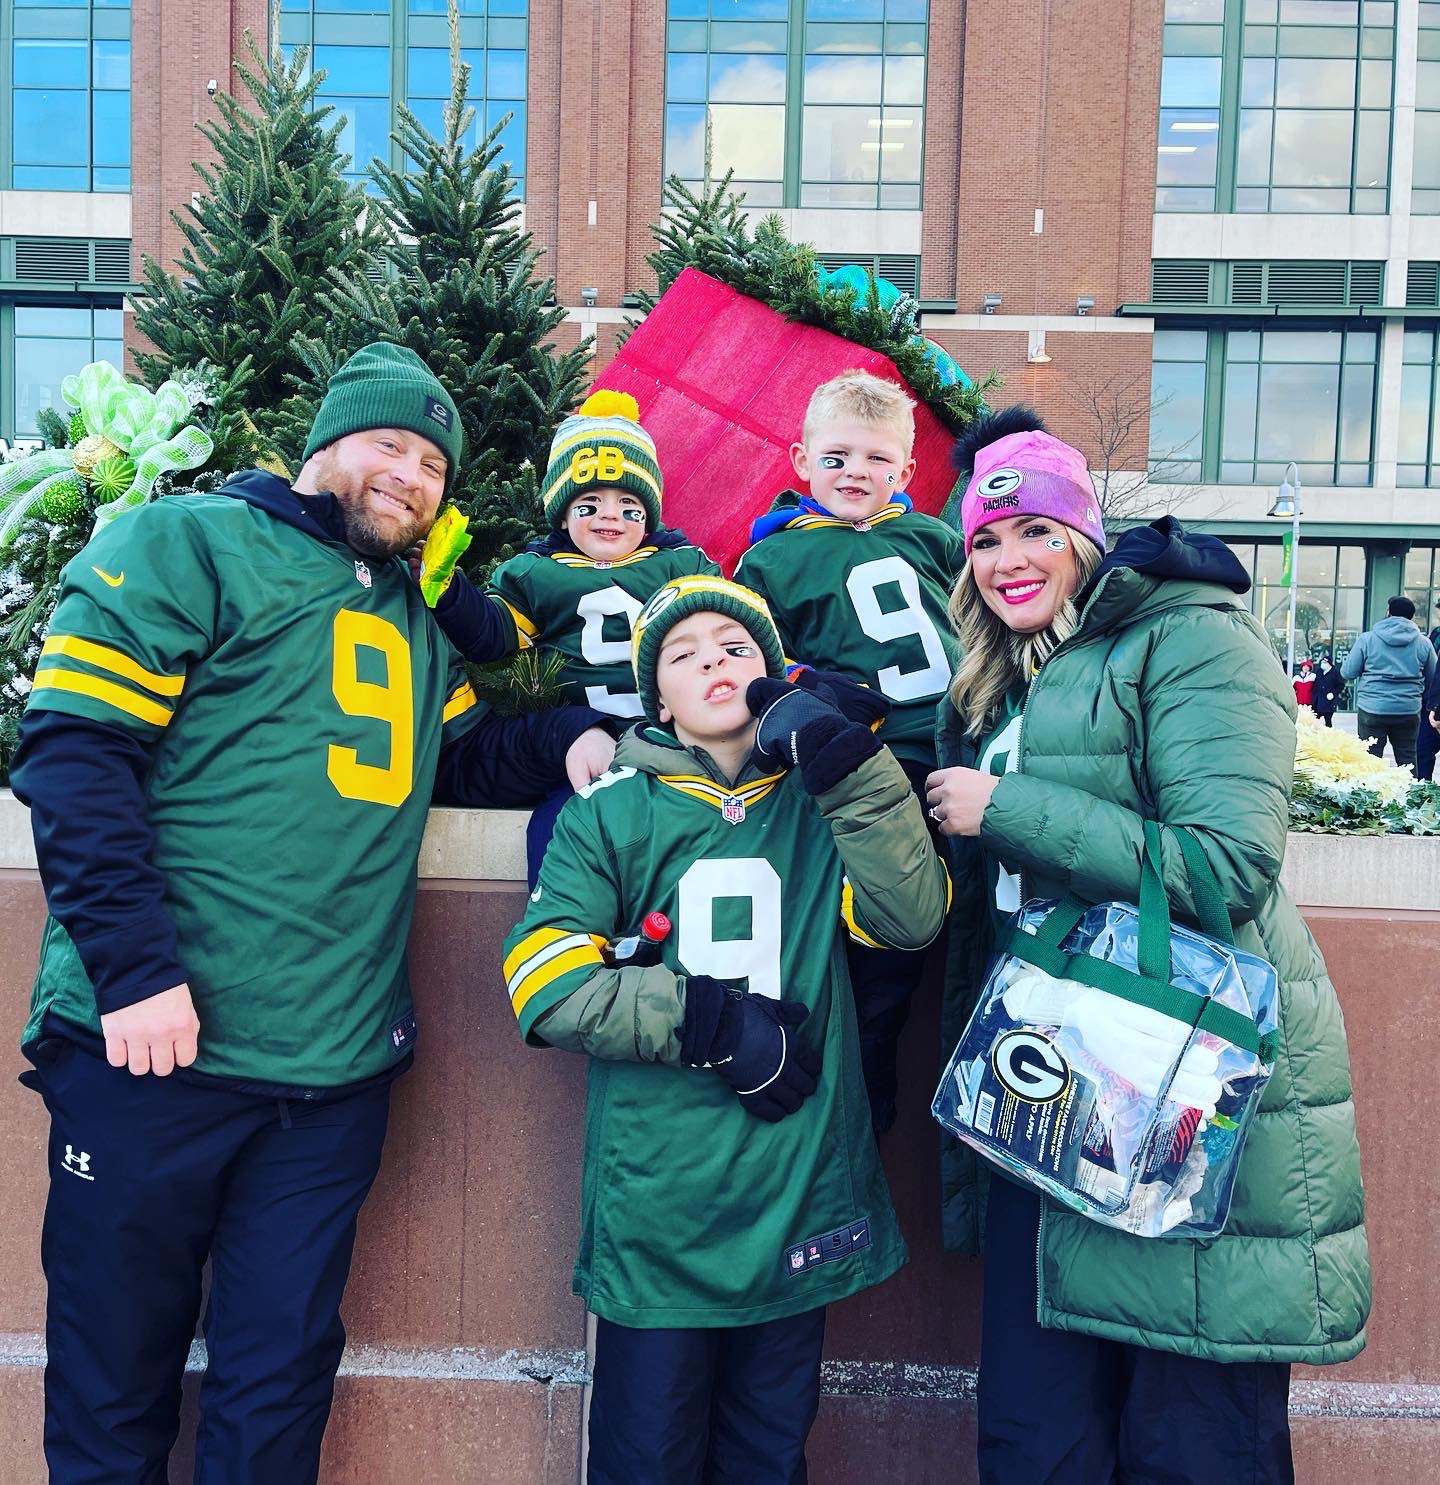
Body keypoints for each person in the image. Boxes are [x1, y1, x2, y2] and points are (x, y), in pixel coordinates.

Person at [10, 341, 617, 1484]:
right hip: (152, 1051)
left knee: (278, 1382)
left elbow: (450, 760)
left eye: (435, 463)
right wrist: (136, 972)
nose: (412, 475)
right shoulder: (184, 541)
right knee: (112, 1380)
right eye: (389, 442)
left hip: (329, 1071)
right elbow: (76, 758)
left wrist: (568, 736)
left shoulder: (411, 613)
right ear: (324, 441)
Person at [923, 408, 1370, 1485]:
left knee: (1194, 1442)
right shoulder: (1005, 677)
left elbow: (1225, 866)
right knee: (1039, 1441)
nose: (1005, 560)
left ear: (1083, 531)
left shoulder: (1196, 637)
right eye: (983, 540)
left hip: (1186, 1091)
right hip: (1050, 1091)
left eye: (1031, 529)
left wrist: (1011, 807)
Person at [502, 574, 949, 1484]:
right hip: (662, 1195)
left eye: (736, 647)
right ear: (655, 696)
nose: (712, 658)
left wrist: (849, 766)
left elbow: (912, 918)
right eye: (683, 652)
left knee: (767, 1453)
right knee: (645, 1454)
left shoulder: (822, 800)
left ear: (776, 675)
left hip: (797, 1185)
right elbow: (541, 980)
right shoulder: (612, 810)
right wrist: (705, 1020)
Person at [735, 369, 962, 1133]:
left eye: (874, 460)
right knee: (876, 954)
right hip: (868, 777)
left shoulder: (936, 539)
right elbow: (754, 662)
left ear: (905, 471)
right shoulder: (773, 559)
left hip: (964, 754)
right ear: (800, 461)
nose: (853, 474)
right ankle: (860, 1112)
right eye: (835, 458)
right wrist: (813, 687)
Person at [420, 390, 721, 882]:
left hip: (678, 742)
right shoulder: (538, 573)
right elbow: (495, 638)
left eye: (630, 504)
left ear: (650, 516)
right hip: (583, 750)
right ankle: (561, 933)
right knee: (562, 834)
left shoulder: (680, 565)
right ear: (561, 513)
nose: (611, 514)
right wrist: (449, 590)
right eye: (591, 503)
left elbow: (731, 632)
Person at [1341, 594, 1436, 770]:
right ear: (1412, 617)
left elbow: (1348, 672)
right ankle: (1409, 796)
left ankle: (1370, 796)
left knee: (1368, 761)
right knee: (1407, 760)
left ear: (1388, 612)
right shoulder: (1424, 643)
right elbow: (1434, 678)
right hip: (1408, 710)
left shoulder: (1367, 639)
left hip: (1372, 708)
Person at [1418, 599, 1440, 780]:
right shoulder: (1436, 635)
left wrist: (1435, 707)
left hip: (1434, 707)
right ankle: (1423, 794)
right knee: (1423, 752)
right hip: (1431, 704)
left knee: (1423, 750)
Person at [1313, 651, 1344, 727]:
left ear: (1329, 664)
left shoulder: (1335, 673)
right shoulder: (1319, 671)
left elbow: (1341, 685)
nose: (1323, 664)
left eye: (1325, 662)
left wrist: (1333, 693)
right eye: (1322, 662)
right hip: (1318, 701)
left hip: (1329, 701)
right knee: (1314, 720)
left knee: (1328, 720)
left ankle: (1328, 734)